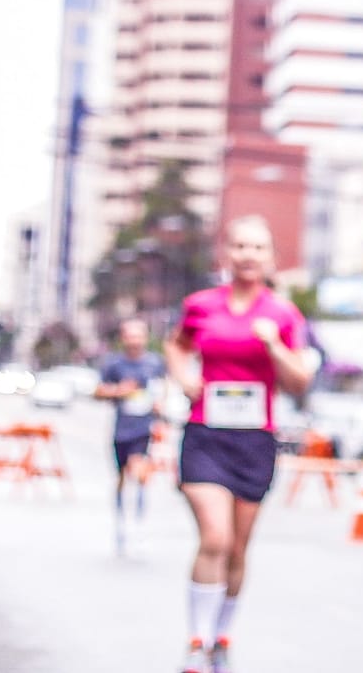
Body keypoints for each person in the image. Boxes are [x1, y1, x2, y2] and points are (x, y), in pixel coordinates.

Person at [163, 216, 311, 673]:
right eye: (240, 246)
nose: (248, 255)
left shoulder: (283, 315)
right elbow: (175, 346)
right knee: (215, 536)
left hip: (255, 441)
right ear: (227, 253)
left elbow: (300, 382)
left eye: (258, 248)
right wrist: (184, 377)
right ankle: (196, 641)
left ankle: (222, 636)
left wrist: (274, 348)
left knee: (237, 549)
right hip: (206, 434)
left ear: (271, 259)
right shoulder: (201, 305)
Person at [97, 316, 167, 556]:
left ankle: (139, 523)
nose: (135, 340)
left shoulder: (155, 363)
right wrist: (119, 391)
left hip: (144, 429)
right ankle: (121, 523)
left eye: (139, 335)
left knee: (140, 474)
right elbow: (98, 390)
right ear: (123, 338)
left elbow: (163, 388)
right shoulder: (114, 364)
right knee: (120, 478)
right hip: (121, 429)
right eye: (130, 335)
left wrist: (161, 406)